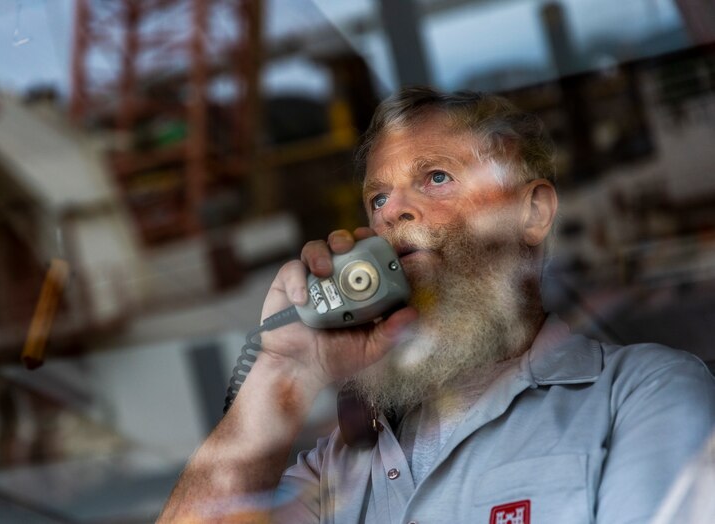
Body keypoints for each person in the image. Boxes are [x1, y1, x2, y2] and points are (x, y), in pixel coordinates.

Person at [158, 88, 715, 523]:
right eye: (378, 197)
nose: (393, 210)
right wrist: (284, 370)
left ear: (533, 212)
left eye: (437, 177)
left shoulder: (641, 395)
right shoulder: (339, 466)